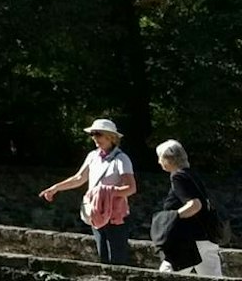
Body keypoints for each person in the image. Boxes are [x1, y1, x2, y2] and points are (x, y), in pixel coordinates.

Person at [39, 118, 138, 265]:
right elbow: (79, 178)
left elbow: (131, 188)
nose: (94, 138)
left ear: (110, 136)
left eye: (97, 134)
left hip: (115, 216)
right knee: (102, 257)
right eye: (92, 134)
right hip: (96, 214)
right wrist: (55, 188)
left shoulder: (122, 159)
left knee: (117, 260)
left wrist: (106, 192)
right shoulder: (93, 156)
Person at [156, 139, 223, 275]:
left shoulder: (178, 177)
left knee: (167, 273)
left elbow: (194, 205)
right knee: (213, 277)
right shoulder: (192, 175)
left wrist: (171, 218)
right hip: (206, 237)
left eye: (160, 158)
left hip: (189, 241)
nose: (159, 162)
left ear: (169, 159)